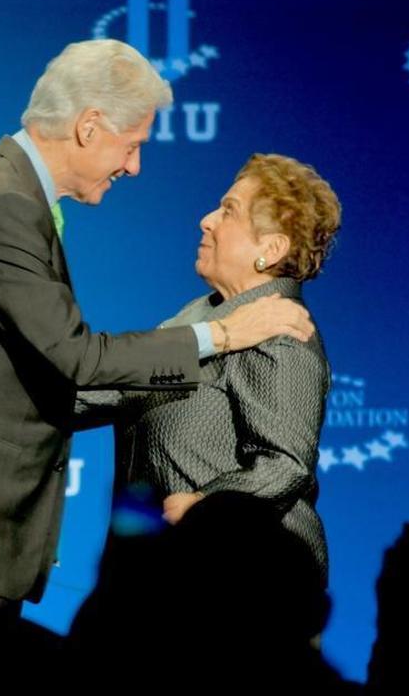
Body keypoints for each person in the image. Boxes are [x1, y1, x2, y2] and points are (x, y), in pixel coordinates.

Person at [0, 39, 315, 611]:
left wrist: (207, 504)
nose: (134, 166)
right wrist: (225, 335)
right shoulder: (4, 203)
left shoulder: (10, 195)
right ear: (88, 127)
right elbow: (78, 360)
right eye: (132, 145)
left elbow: (283, 462)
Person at [77, 152, 341, 585]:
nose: (206, 219)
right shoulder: (198, 317)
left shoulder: (282, 330)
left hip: (239, 587)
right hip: (162, 577)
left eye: (229, 211)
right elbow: (117, 387)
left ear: (270, 249)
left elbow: (285, 465)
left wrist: (203, 508)